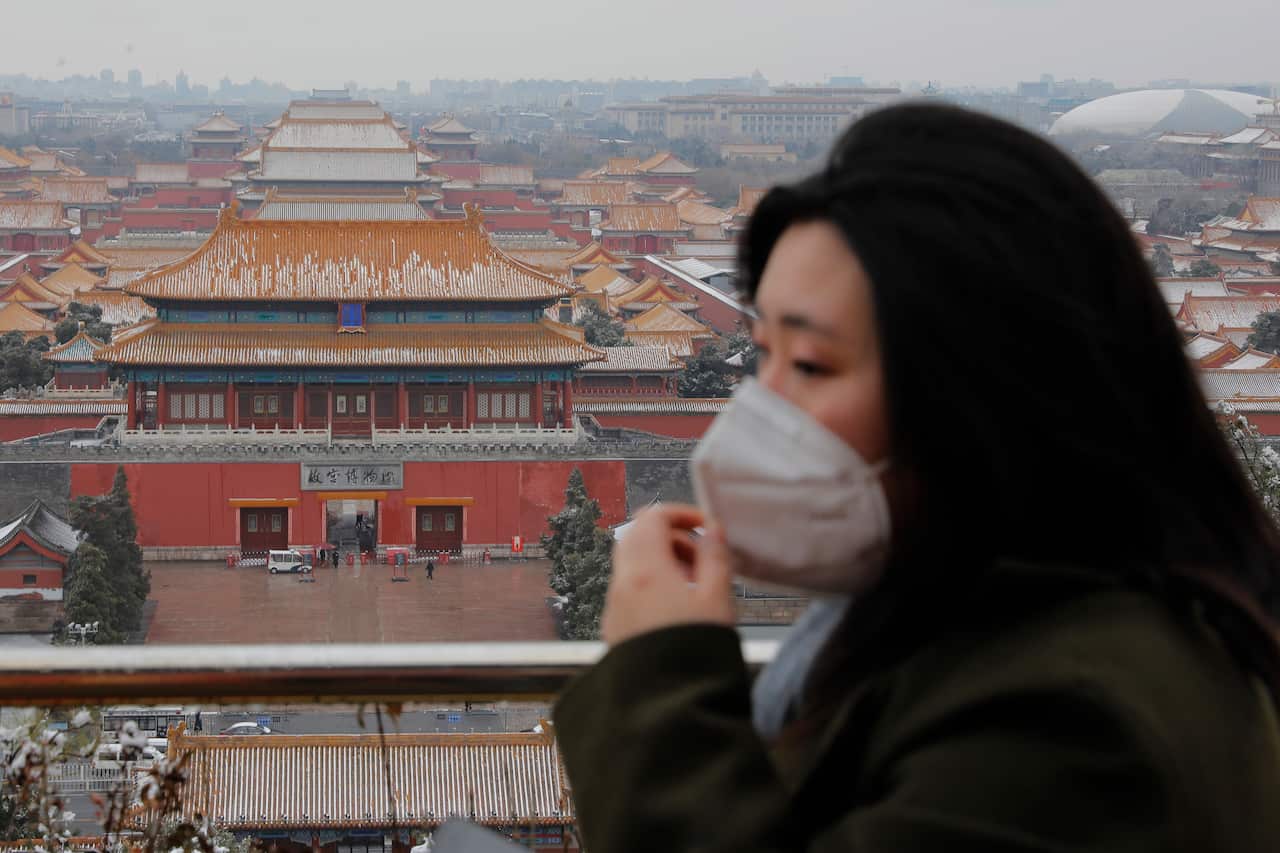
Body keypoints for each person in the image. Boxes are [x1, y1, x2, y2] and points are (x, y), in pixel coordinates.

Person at [552, 103, 1280, 852]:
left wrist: (662, 673)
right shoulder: (927, 623)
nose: (759, 406)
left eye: (808, 364)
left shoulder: (1082, 722)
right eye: (758, 354)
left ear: (984, 387)